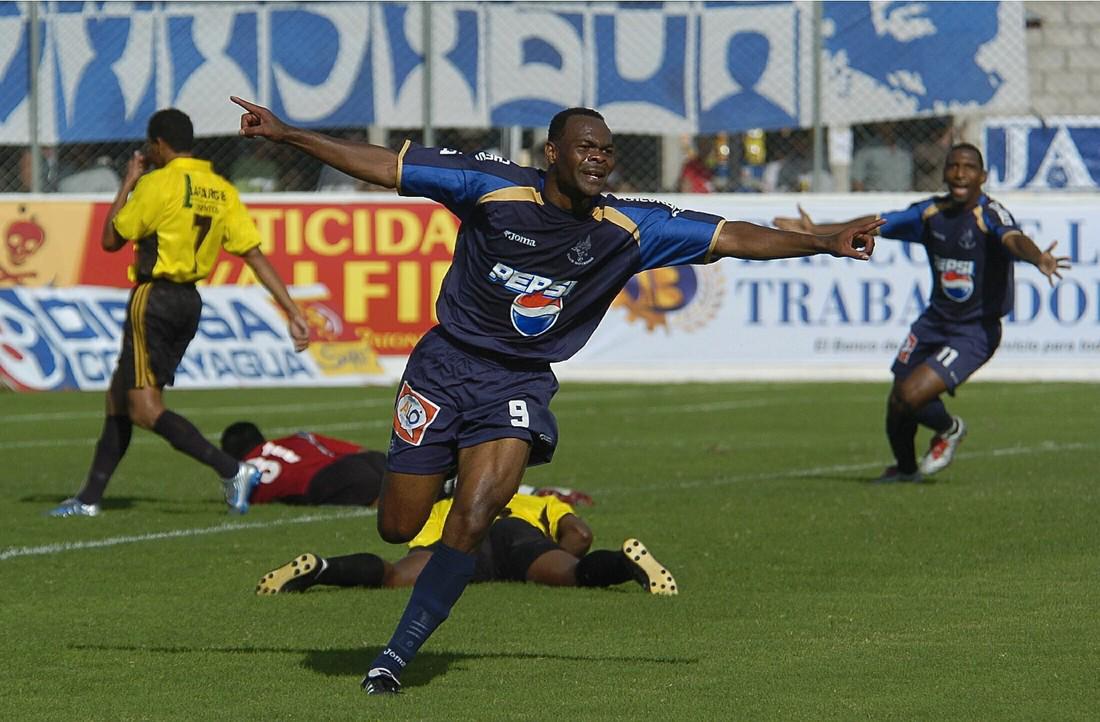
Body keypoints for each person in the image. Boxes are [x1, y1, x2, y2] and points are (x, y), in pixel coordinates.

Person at [230, 94, 880, 695]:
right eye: (586, 148)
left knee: (481, 509)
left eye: (606, 150)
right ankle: (448, 470)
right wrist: (288, 135)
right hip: (443, 367)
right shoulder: (493, 188)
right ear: (552, 155)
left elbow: (731, 236)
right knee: (398, 526)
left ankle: (394, 656)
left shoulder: (629, 228)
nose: (599, 158)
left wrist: (821, 239)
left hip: (517, 380)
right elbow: (385, 165)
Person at [48, 108, 310, 519]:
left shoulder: (158, 183)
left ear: (158, 145)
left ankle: (233, 469)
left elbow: (111, 238)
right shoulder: (221, 189)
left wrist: (129, 182)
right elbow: (252, 254)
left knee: (145, 408)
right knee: (119, 397)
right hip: (189, 302)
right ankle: (89, 498)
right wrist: (292, 310)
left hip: (153, 298)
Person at [773, 143, 1070, 483]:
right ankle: (906, 470)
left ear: (982, 177)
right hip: (933, 322)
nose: (960, 172)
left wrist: (1038, 258)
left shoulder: (990, 215)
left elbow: (1014, 238)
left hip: (975, 331)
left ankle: (950, 428)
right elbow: (877, 223)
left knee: (912, 395)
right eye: (953, 165)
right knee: (897, 403)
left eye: (968, 167)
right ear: (944, 172)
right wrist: (817, 230)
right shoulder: (930, 213)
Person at [256, 493, 671, 596]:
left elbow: (416, 550)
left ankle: (323, 569)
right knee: (573, 575)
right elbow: (580, 534)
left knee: (394, 576)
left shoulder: (442, 503)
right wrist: (560, 554)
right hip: (517, 538)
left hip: (459, 531)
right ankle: (625, 564)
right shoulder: (530, 499)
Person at [220, 420, 594, 509]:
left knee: (429, 502)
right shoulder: (297, 437)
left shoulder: (247, 467)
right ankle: (536, 492)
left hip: (327, 482)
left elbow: (245, 497)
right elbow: (345, 448)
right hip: (361, 461)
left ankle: (529, 498)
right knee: (439, 485)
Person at [850, 122, 913, 192]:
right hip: (877, 197)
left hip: (903, 197)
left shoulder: (904, 148)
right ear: (877, 126)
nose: (890, 127)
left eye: (892, 123)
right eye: (886, 123)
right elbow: (857, 180)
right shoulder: (866, 149)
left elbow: (908, 179)